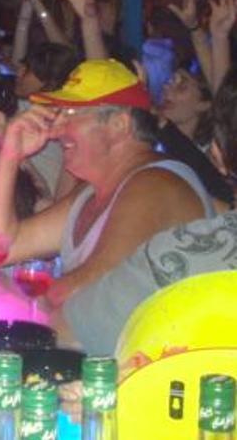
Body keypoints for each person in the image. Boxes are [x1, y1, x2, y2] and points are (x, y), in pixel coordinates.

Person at [0, 59, 216, 308]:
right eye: (58, 114)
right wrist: (10, 154)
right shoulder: (94, 189)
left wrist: (15, 304)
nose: (55, 130)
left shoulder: (154, 185)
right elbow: (0, 247)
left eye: (71, 114)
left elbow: (93, 288)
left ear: (119, 124)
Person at [61, 65, 237, 356]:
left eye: (71, 114)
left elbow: (67, 329)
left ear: (217, 154)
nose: (59, 126)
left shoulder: (178, 253)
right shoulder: (97, 190)